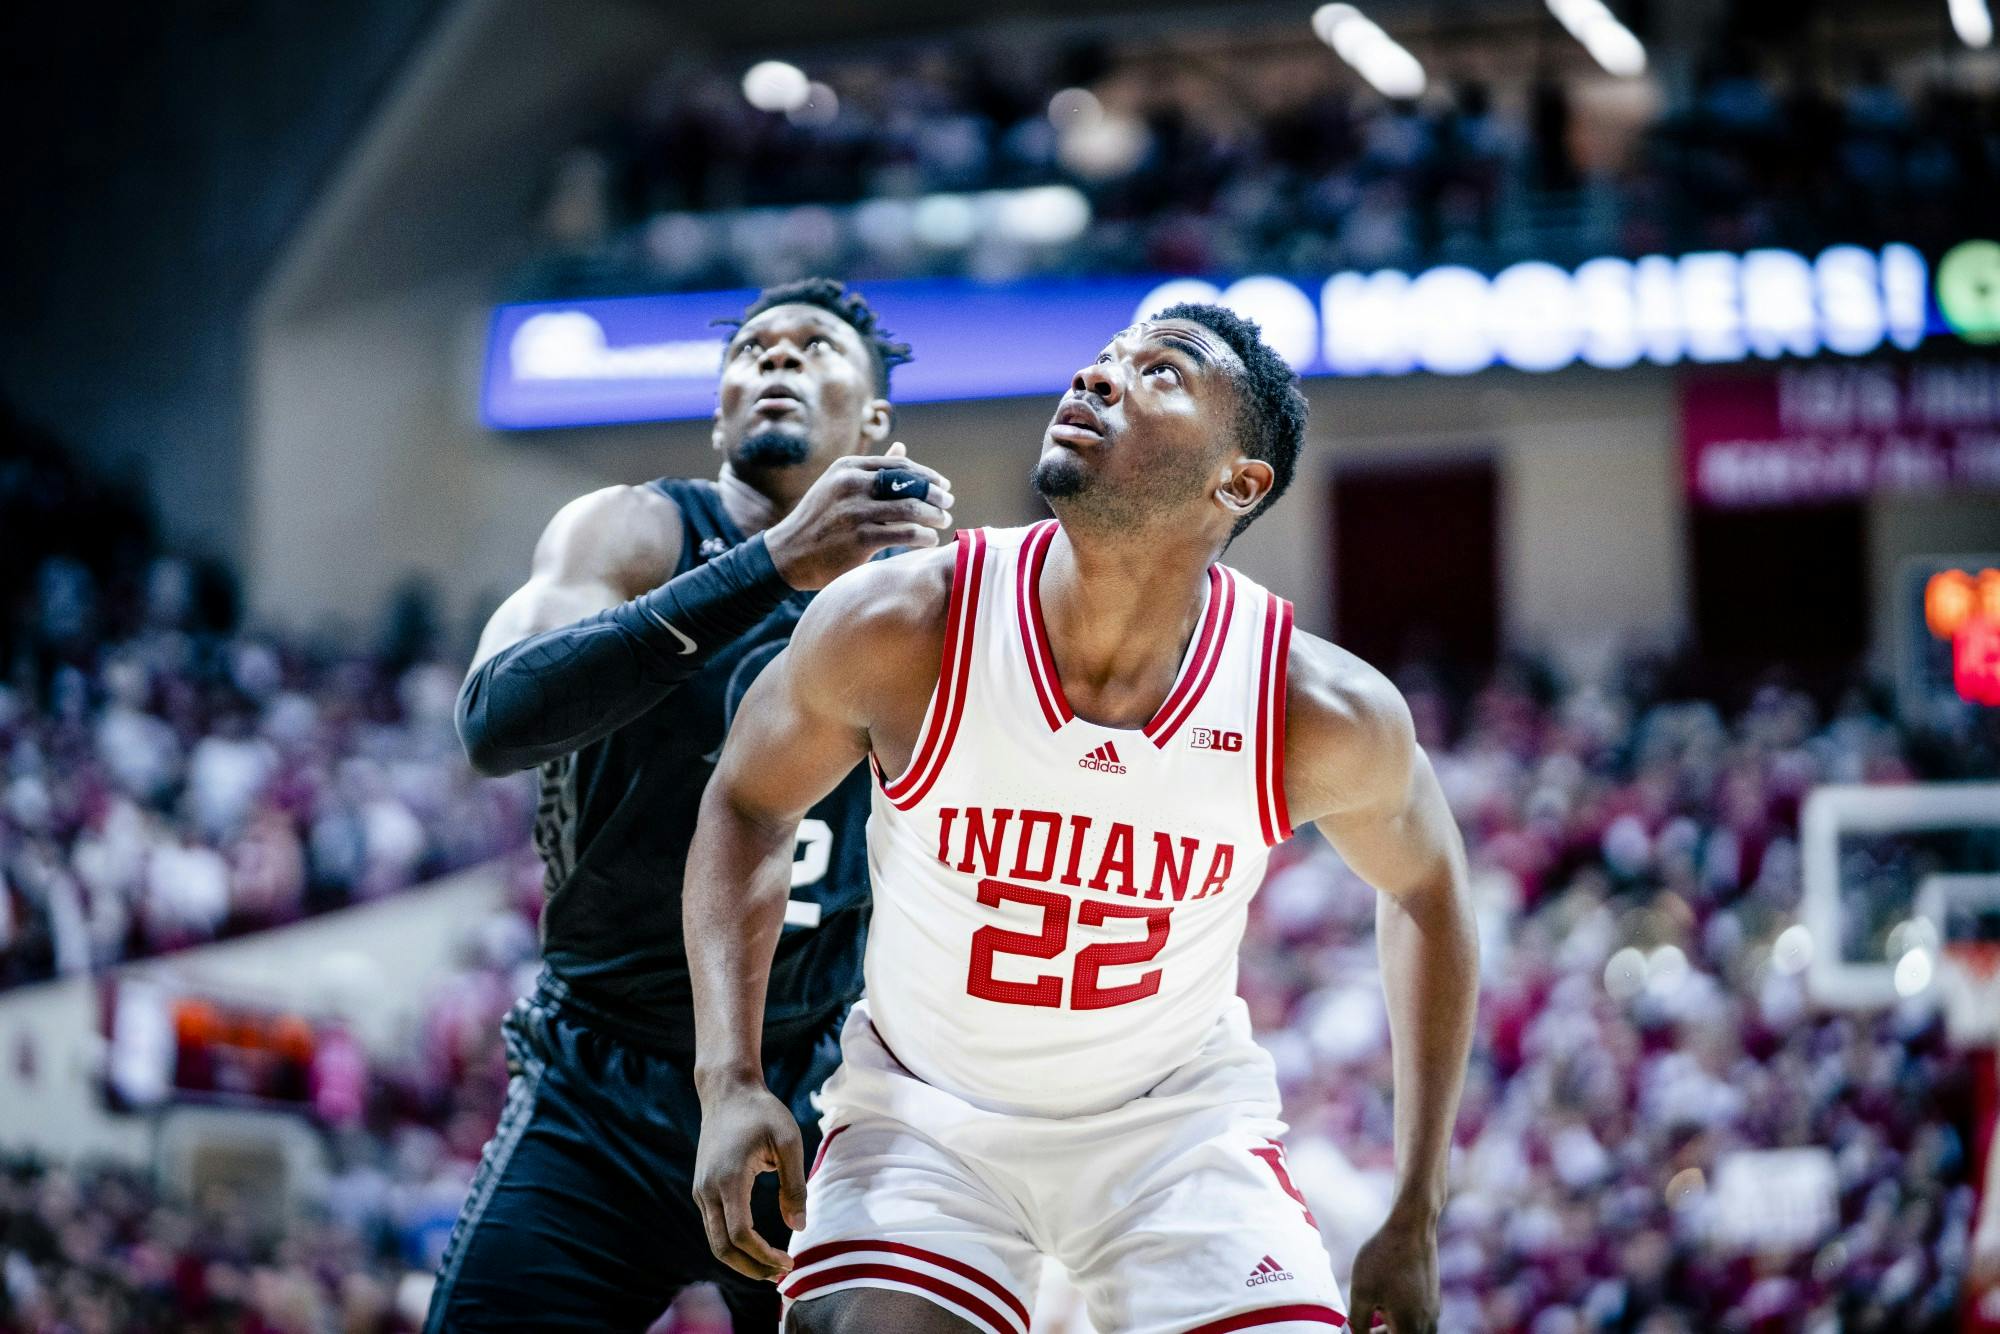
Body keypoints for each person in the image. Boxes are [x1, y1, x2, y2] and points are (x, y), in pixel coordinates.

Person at [685, 303, 1479, 1334]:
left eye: (1162, 371)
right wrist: (728, 1077)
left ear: (1237, 482)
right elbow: (748, 800)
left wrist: (1416, 1208)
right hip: (926, 1116)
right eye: (1103, 359)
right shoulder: (904, 622)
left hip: (1174, 1128)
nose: (1097, 376)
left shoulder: (1314, 707)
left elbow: (1427, 887)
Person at [428, 278, 956, 1332]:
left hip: (817, 1074)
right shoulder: (631, 530)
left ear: (874, 422)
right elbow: (494, 719)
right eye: (753, 348)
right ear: (719, 415)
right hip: (600, 1077)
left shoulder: (923, 598)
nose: (777, 357)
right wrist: (770, 566)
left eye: (814, 347)